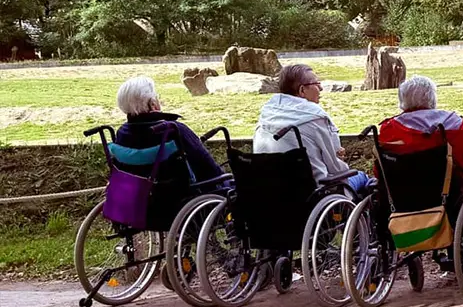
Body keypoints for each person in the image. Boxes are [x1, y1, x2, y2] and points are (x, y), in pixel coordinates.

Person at [377, 76, 463, 275]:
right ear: (432, 98)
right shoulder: (451, 124)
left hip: (401, 200)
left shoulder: (387, 130)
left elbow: (380, 173)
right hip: (449, 200)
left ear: (402, 100)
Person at [113, 76, 228, 224]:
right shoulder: (173, 130)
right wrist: (225, 179)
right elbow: (208, 168)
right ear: (153, 104)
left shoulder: (122, 133)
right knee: (232, 187)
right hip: (177, 207)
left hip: (137, 206)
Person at [253, 64, 373, 194]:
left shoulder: (267, 113)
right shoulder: (314, 117)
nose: (321, 88)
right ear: (302, 90)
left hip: (268, 190)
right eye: (317, 83)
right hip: (313, 192)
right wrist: (338, 157)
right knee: (362, 177)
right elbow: (336, 168)